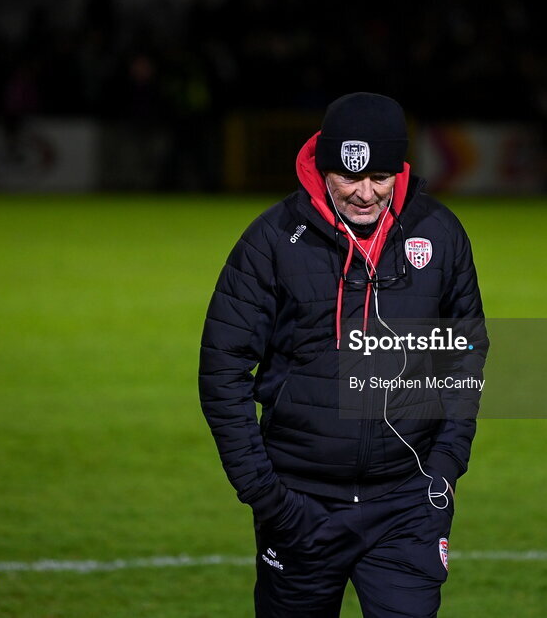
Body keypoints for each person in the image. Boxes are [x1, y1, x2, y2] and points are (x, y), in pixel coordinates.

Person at [198, 92, 487, 617]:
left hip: (407, 505)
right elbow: (223, 368)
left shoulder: (438, 234)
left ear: (400, 168)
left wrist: (444, 466)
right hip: (300, 507)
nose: (364, 193)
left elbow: (463, 352)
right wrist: (268, 497)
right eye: (348, 177)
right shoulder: (271, 241)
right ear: (323, 166)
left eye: (379, 177)